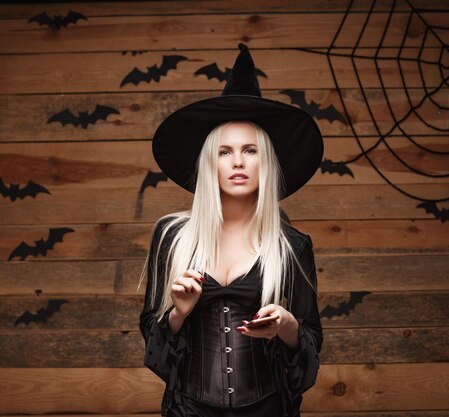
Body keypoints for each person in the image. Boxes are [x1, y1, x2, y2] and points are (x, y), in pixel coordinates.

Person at [138, 43, 324, 417]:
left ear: (266, 161)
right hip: (189, 409)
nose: (238, 161)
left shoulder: (291, 246)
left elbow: (310, 342)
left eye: (250, 150)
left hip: (267, 408)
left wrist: (286, 325)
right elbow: (153, 336)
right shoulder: (172, 238)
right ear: (211, 163)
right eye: (225, 152)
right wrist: (179, 312)